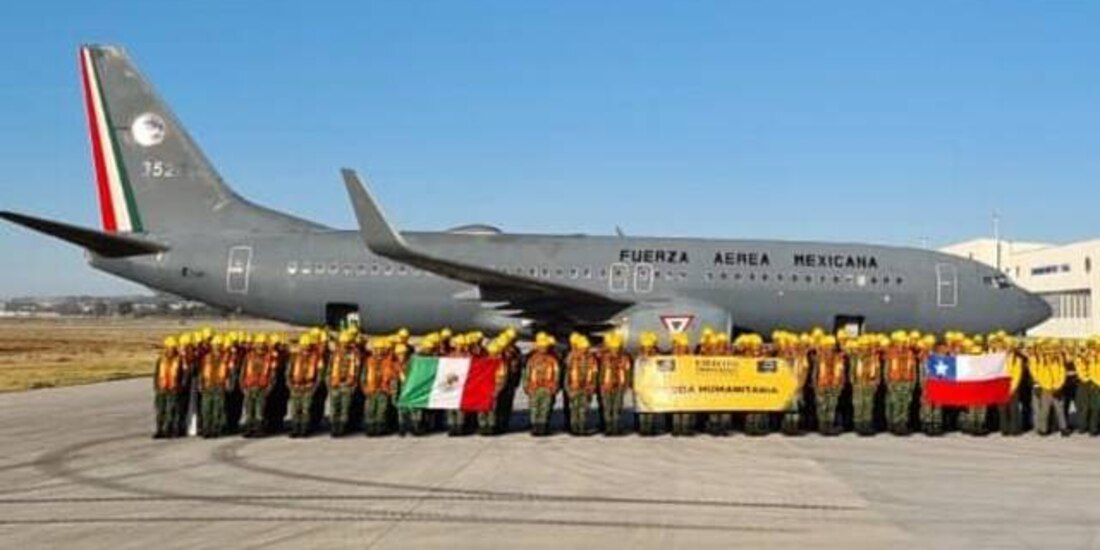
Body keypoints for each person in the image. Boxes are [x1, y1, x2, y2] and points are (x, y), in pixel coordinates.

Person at [1029, 339, 1070, 436]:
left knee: (1059, 409)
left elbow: (1062, 373)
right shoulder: (1041, 360)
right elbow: (1038, 374)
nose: (1051, 352)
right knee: (1045, 410)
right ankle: (1043, 429)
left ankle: (1063, 428)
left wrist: (1058, 385)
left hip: (1057, 388)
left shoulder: (1060, 359)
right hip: (1046, 388)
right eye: (1049, 349)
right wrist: (1044, 385)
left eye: (1053, 349)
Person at [523, 332, 560, 436]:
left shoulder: (552, 360)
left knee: (545, 408)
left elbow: (556, 373)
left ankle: (543, 427)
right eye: (541, 347)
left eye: (544, 347)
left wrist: (555, 386)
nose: (543, 349)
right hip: (534, 387)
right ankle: (535, 427)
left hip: (547, 388)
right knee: (534, 408)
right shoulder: (532, 360)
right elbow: (527, 373)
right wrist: (526, 386)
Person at [287, 334, 323, 437]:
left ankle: (304, 429)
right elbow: (289, 372)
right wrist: (291, 385)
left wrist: (313, 387)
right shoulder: (294, 357)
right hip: (296, 387)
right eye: (304, 345)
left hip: (309, 387)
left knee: (306, 409)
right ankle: (295, 428)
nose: (305, 347)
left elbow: (319, 375)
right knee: (295, 409)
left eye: (307, 345)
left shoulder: (316, 358)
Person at [240, 334, 275, 437]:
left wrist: (269, 387)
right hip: (249, 386)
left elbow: (272, 375)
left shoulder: (269, 357)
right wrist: (242, 385)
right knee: (249, 410)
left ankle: (259, 429)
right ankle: (249, 429)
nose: (260, 346)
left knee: (260, 411)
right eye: (258, 343)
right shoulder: (249, 356)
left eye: (262, 344)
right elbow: (243, 372)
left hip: (262, 387)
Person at [598, 332, 632, 436]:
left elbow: (627, 372)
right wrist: (600, 385)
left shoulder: (624, 358)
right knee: (607, 407)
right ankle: (608, 428)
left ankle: (616, 427)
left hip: (619, 386)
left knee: (617, 407)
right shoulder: (604, 358)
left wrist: (627, 383)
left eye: (617, 348)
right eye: (613, 348)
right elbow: (600, 372)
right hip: (606, 386)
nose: (615, 350)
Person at [564, 333, 599, 435]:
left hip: (586, 389)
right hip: (574, 388)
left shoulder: (591, 359)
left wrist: (592, 388)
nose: (584, 349)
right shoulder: (571, 358)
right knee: (574, 409)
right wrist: (568, 389)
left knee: (583, 410)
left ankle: (582, 428)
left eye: (585, 347)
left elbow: (594, 374)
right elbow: (567, 376)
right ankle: (574, 428)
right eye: (582, 347)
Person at [328, 330, 360, 437]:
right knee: (334, 407)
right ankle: (334, 427)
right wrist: (330, 384)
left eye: (346, 343)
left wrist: (353, 385)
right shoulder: (334, 355)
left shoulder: (354, 355)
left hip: (347, 385)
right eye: (342, 343)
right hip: (335, 384)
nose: (344, 345)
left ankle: (341, 428)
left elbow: (356, 371)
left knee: (344, 408)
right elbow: (329, 370)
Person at [849, 334, 882, 436]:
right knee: (859, 405)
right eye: (863, 345)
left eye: (867, 345)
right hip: (859, 384)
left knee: (868, 405)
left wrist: (876, 383)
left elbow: (877, 371)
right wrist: (854, 384)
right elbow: (852, 372)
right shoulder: (855, 358)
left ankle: (866, 425)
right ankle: (858, 426)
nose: (865, 347)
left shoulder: (873, 358)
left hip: (869, 384)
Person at [884, 331, 916, 435]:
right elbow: (887, 370)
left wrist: (913, 382)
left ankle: (902, 424)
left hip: (906, 382)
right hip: (895, 382)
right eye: (899, 342)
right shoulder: (891, 353)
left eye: (903, 342)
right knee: (896, 404)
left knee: (905, 404)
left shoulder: (910, 354)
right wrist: (888, 383)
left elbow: (913, 370)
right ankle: (895, 424)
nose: (901, 344)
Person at [780, 331, 812, 435]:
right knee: (789, 406)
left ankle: (793, 426)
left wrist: (799, 386)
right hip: (788, 387)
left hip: (797, 387)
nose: (793, 348)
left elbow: (803, 374)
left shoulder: (802, 359)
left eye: (795, 346)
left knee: (794, 408)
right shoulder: (790, 359)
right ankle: (788, 425)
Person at [198, 335, 230, 438]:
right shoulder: (206, 358)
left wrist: (228, 384)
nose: (216, 347)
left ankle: (215, 429)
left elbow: (230, 373)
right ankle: (207, 429)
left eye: (218, 345)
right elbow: (201, 372)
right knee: (206, 409)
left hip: (219, 387)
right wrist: (200, 384)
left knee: (218, 409)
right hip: (208, 386)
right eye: (214, 345)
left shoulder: (225, 358)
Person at [738, 333, 769, 436]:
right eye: (754, 347)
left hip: (760, 387)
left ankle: (758, 427)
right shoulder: (745, 359)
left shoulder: (764, 359)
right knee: (750, 409)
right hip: (749, 386)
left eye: (757, 347)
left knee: (760, 409)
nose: (756, 350)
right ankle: (750, 427)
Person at [153, 336, 183, 438]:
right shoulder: (160, 360)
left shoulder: (179, 361)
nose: (170, 350)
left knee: (172, 410)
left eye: (172, 348)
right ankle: (160, 429)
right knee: (161, 410)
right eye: (168, 348)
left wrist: (179, 387)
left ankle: (172, 430)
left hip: (173, 389)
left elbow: (181, 375)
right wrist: (156, 386)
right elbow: (157, 374)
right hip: (162, 389)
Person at [814, 335, 843, 435]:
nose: (829, 349)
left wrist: (840, 385)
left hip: (833, 387)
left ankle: (829, 426)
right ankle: (822, 427)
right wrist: (815, 386)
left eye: (831, 347)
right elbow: (815, 373)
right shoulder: (819, 359)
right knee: (822, 407)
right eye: (828, 346)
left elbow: (840, 373)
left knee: (831, 407)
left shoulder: (837, 358)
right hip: (821, 386)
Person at [635, 331, 663, 436]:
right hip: (642, 386)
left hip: (653, 385)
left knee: (651, 406)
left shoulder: (658, 357)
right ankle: (643, 428)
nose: (648, 349)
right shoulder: (639, 359)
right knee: (642, 407)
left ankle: (650, 427)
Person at [669, 333, 696, 436]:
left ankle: (685, 428)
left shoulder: (691, 357)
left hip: (687, 385)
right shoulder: (669, 356)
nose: (680, 348)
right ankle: (676, 428)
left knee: (686, 408)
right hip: (674, 386)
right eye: (677, 346)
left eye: (682, 347)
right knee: (676, 407)